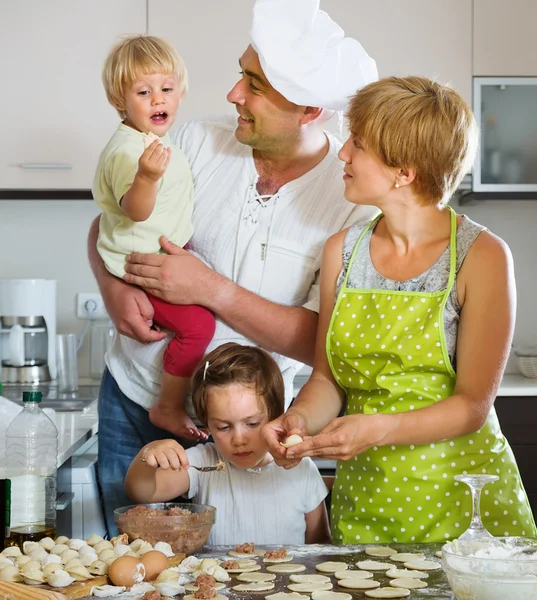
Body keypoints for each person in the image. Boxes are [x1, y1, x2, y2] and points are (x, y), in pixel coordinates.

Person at [89, 0, 378, 536]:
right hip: (134, 397)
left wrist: (211, 289)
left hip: (244, 432)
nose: (232, 94)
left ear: (309, 110)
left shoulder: (352, 199)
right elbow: (115, 218)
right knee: (131, 577)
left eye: (254, 84)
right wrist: (110, 287)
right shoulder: (197, 141)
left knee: (244, 574)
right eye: (240, 74)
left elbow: (324, 340)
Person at [263, 76, 537, 544]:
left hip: (462, 505)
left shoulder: (481, 255)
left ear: (403, 171)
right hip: (367, 498)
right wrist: (300, 420)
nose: (342, 152)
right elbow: (328, 379)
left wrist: (376, 429)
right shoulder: (341, 252)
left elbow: (472, 406)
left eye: (359, 144)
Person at [93, 35, 215, 441]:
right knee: (198, 326)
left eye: (166, 89)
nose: (157, 99)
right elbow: (136, 210)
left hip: (151, 251)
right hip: (142, 265)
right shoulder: (130, 152)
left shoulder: (155, 141)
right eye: (143, 92)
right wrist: (146, 177)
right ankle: (168, 406)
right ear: (119, 100)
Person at [125, 342, 330, 545]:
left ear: (276, 417)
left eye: (252, 423)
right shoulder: (204, 462)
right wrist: (148, 455)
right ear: (207, 424)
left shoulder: (300, 468)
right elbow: (142, 492)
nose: (239, 439)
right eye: (224, 427)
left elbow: (319, 544)